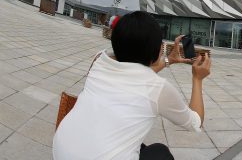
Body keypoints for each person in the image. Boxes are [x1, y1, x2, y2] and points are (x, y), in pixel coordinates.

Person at [53, 11, 211, 160]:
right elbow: (196, 122)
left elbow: (133, 73)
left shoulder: (99, 59)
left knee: (138, 145)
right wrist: (197, 79)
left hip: (62, 151)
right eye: (161, 46)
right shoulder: (158, 88)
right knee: (160, 152)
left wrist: (170, 60)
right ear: (156, 53)